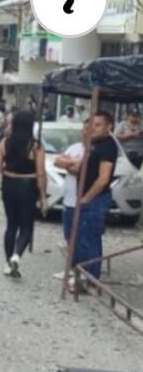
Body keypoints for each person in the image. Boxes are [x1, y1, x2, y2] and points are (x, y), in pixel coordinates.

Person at [0, 110, 47, 279]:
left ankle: (8, 262)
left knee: (11, 224)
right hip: (28, 185)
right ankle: (17, 256)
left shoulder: (5, 143)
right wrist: (42, 195)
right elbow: (41, 172)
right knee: (26, 225)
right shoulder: (35, 146)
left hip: (9, 184)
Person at [67, 111, 119, 288]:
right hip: (87, 198)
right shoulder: (94, 144)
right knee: (82, 238)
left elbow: (103, 178)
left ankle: (90, 279)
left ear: (108, 127)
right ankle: (82, 275)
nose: (93, 128)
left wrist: (86, 199)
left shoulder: (108, 146)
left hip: (96, 199)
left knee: (90, 239)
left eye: (98, 125)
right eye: (92, 124)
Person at [53, 120, 88, 279]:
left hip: (81, 201)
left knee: (80, 237)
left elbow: (78, 170)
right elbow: (57, 161)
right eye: (84, 129)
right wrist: (72, 162)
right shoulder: (75, 147)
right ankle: (71, 267)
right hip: (68, 200)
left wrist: (69, 164)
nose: (85, 132)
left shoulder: (94, 150)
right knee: (68, 236)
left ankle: (79, 270)